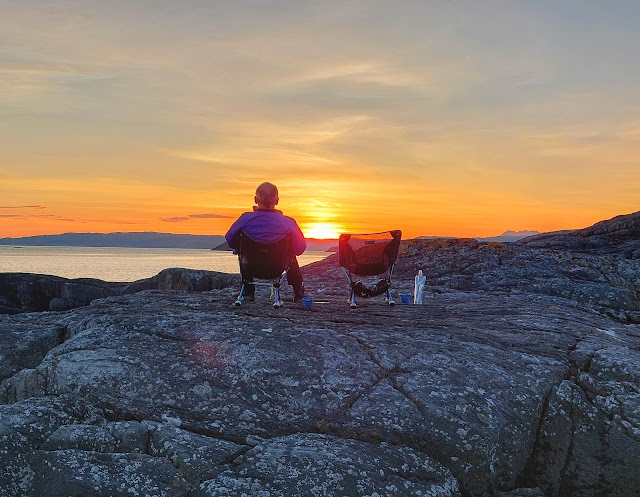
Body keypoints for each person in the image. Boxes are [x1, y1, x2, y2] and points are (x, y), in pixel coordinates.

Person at [225, 182, 306, 302]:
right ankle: (298, 290)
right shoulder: (288, 222)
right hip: (277, 268)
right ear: (277, 201)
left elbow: (230, 242)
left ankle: (248, 291)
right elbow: (300, 249)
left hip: (250, 267)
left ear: (255, 200)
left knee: (241, 249)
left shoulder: (245, 219)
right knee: (291, 253)